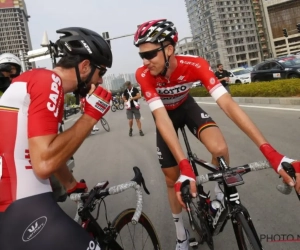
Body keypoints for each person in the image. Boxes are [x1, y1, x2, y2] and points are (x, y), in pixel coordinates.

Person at [134, 19, 300, 249]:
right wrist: (183, 164)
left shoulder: (195, 65)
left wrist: (270, 152)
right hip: (165, 114)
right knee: (172, 179)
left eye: (150, 54)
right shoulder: (143, 74)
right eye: (141, 55)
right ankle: (181, 234)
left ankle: (218, 198)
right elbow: (161, 118)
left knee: (220, 148)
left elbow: (228, 105)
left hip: (186, 106)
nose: (145, 61)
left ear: (169, 49)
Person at [0, 27, 112, 250]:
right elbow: (43, 163)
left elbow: (44, 147)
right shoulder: (49, 81)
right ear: (85, 66)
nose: (100, 81)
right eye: (101, 73)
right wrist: (91, 115)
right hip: (23, 203)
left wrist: (70, 184)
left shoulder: (30, 79)